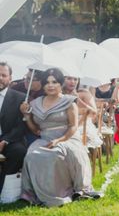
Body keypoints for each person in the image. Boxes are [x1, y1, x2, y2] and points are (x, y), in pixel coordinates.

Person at [19, 68, 99, 206]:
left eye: (54, 82)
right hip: (44, 138)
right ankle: (35, 193)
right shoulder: (36, 103)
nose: (50, 85)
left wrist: (59, 140)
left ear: (60, 84)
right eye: (47, 82)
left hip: (67, 137)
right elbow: (35, 130)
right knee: (31, 154)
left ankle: (62, 193)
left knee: (56, 154)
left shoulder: (69, 101)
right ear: (43, 85)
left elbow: (73, 127)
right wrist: (26, 115)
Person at [0, 62, 28, 196]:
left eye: (3, 75)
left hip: (9, 139)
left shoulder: (20, 98)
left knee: (19, 151)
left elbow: (20, 126)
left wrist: (5, 140)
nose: (0, 78)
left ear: (10, 78)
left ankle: (4, 188)